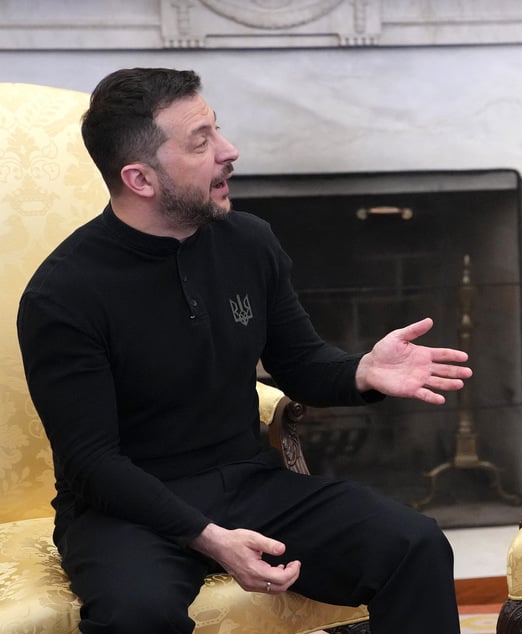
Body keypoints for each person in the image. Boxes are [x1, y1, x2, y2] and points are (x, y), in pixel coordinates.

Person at [16, 67, 472, 633]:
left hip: (247, 484)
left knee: (414, 543)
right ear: (140, 178)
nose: (229, 152)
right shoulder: (63, 294)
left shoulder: (249, 241)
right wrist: (208, 538)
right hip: (123, 511)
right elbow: (92, 465)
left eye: (217, 130)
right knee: (138, 614)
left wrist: (362, 371)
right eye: (200, 142)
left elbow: (300, 364)